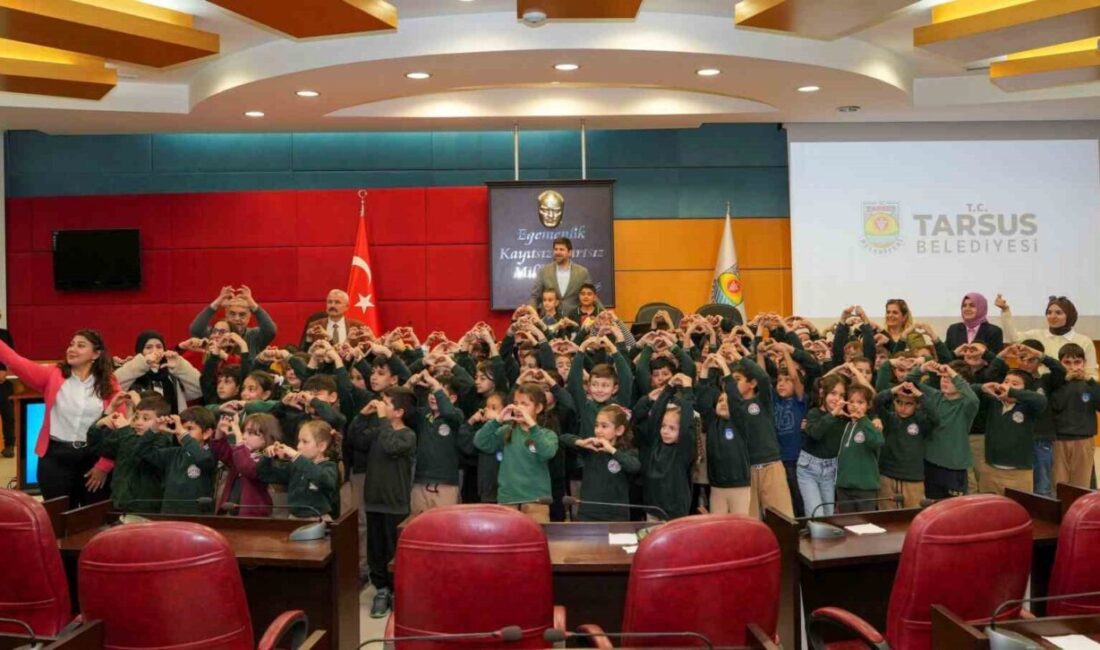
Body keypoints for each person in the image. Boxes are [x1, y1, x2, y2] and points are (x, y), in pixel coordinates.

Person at [0, 330, 119, 505]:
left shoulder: (109, 382)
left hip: (93, 459)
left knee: (92, 520)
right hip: (55, 458)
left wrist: (104, 465)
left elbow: (117, 428)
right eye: (71, 344)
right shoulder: (53, 374)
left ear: (96, 354)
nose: (72, 349)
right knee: (59, 519)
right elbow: (16, 362)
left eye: (80, 345)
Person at [559, 404, 641, 521]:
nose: (598, 430)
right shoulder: (591, 448)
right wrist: (580, 442)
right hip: (587, 513)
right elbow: (562, 439)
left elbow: (634, 467)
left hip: (616, 515)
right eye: (596, 425)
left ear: (619, 430)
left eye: (604, 426)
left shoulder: (627, 451)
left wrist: (612, 450)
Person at [136, 408, 217, 515]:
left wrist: (184, 435)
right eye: (180, 428)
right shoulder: (173, 453)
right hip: (169, 515)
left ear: (207, 433)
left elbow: (203, 459)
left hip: (198, 518)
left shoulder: (210, 454)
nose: (180, 432)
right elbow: (142, 450)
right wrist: (154, 430)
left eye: (189, 428)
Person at [997, 294, 1097, 380]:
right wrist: (1005, 311)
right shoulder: (1037, 335)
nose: (1052, 316)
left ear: (1069, 316)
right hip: (1042, 389)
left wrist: (1080, 376)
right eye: (1049, 312)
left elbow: (1093, 375)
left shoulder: (1084, 341)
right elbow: (1013, 339)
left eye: (1058, 313)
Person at [258, 419, 340, 519]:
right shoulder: (295, 466)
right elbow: (265, 474)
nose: (298, 446)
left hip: (317, 519)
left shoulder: (329, 467)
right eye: (299, 441)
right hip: (293, 518)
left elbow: (322, 478)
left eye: (305, 442)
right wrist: (267, 456)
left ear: (322, 446)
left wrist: (296, 456)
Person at [115, 331, 202, 414]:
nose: (155, 351)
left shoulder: (172, 373)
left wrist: (180, 366)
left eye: (159, 347)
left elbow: (199, 389)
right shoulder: (132, 372)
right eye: (148, 347)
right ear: (140, 351)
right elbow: (112, 386)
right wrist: (143, 362)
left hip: (171, 427)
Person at [1052, 343, 1100, 488]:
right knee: (1058, 485)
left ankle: (1078, 511)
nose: (1073, 367)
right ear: (1060, 363)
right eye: (1067, 362)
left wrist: (1090, 381)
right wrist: (1064, 380)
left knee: (1081, 485)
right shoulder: (1055, 384)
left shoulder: (1091, 385)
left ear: (1084, 363)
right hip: (1058, 440)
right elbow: (1055, 405)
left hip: (1083, 440)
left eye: (1077, 362)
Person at [189, 285, 277, 352]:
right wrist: (217, 303)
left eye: (242, 315)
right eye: (232, 314)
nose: (237, 318)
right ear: (226, 315)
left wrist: (253, 305)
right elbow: (196, 329)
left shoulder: (254, 336)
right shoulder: (216, 334)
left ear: (249, 317)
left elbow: (270, 331)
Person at [529, 237, 593, 316]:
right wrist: (532, 315)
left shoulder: (582, 272)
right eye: (556, 249)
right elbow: (535, 297)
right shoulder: (543, 271)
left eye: (561, 249)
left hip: (574, 322)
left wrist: (604, 313)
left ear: (570, 253)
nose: (557, 252)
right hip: (549, 322)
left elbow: (591, 296)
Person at [302, 289, 367, 348]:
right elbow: (304, 354)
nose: (332, 305)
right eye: (330, 302)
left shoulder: (358, 326)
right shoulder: (314, 325)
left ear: (347, 307)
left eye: (337, 302)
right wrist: (308, 338)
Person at [0, 311, 14, 457]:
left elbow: (12, 357)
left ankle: (9, 445)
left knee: (8, 414)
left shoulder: (4, 334)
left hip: (2, 381)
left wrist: (5, 371)